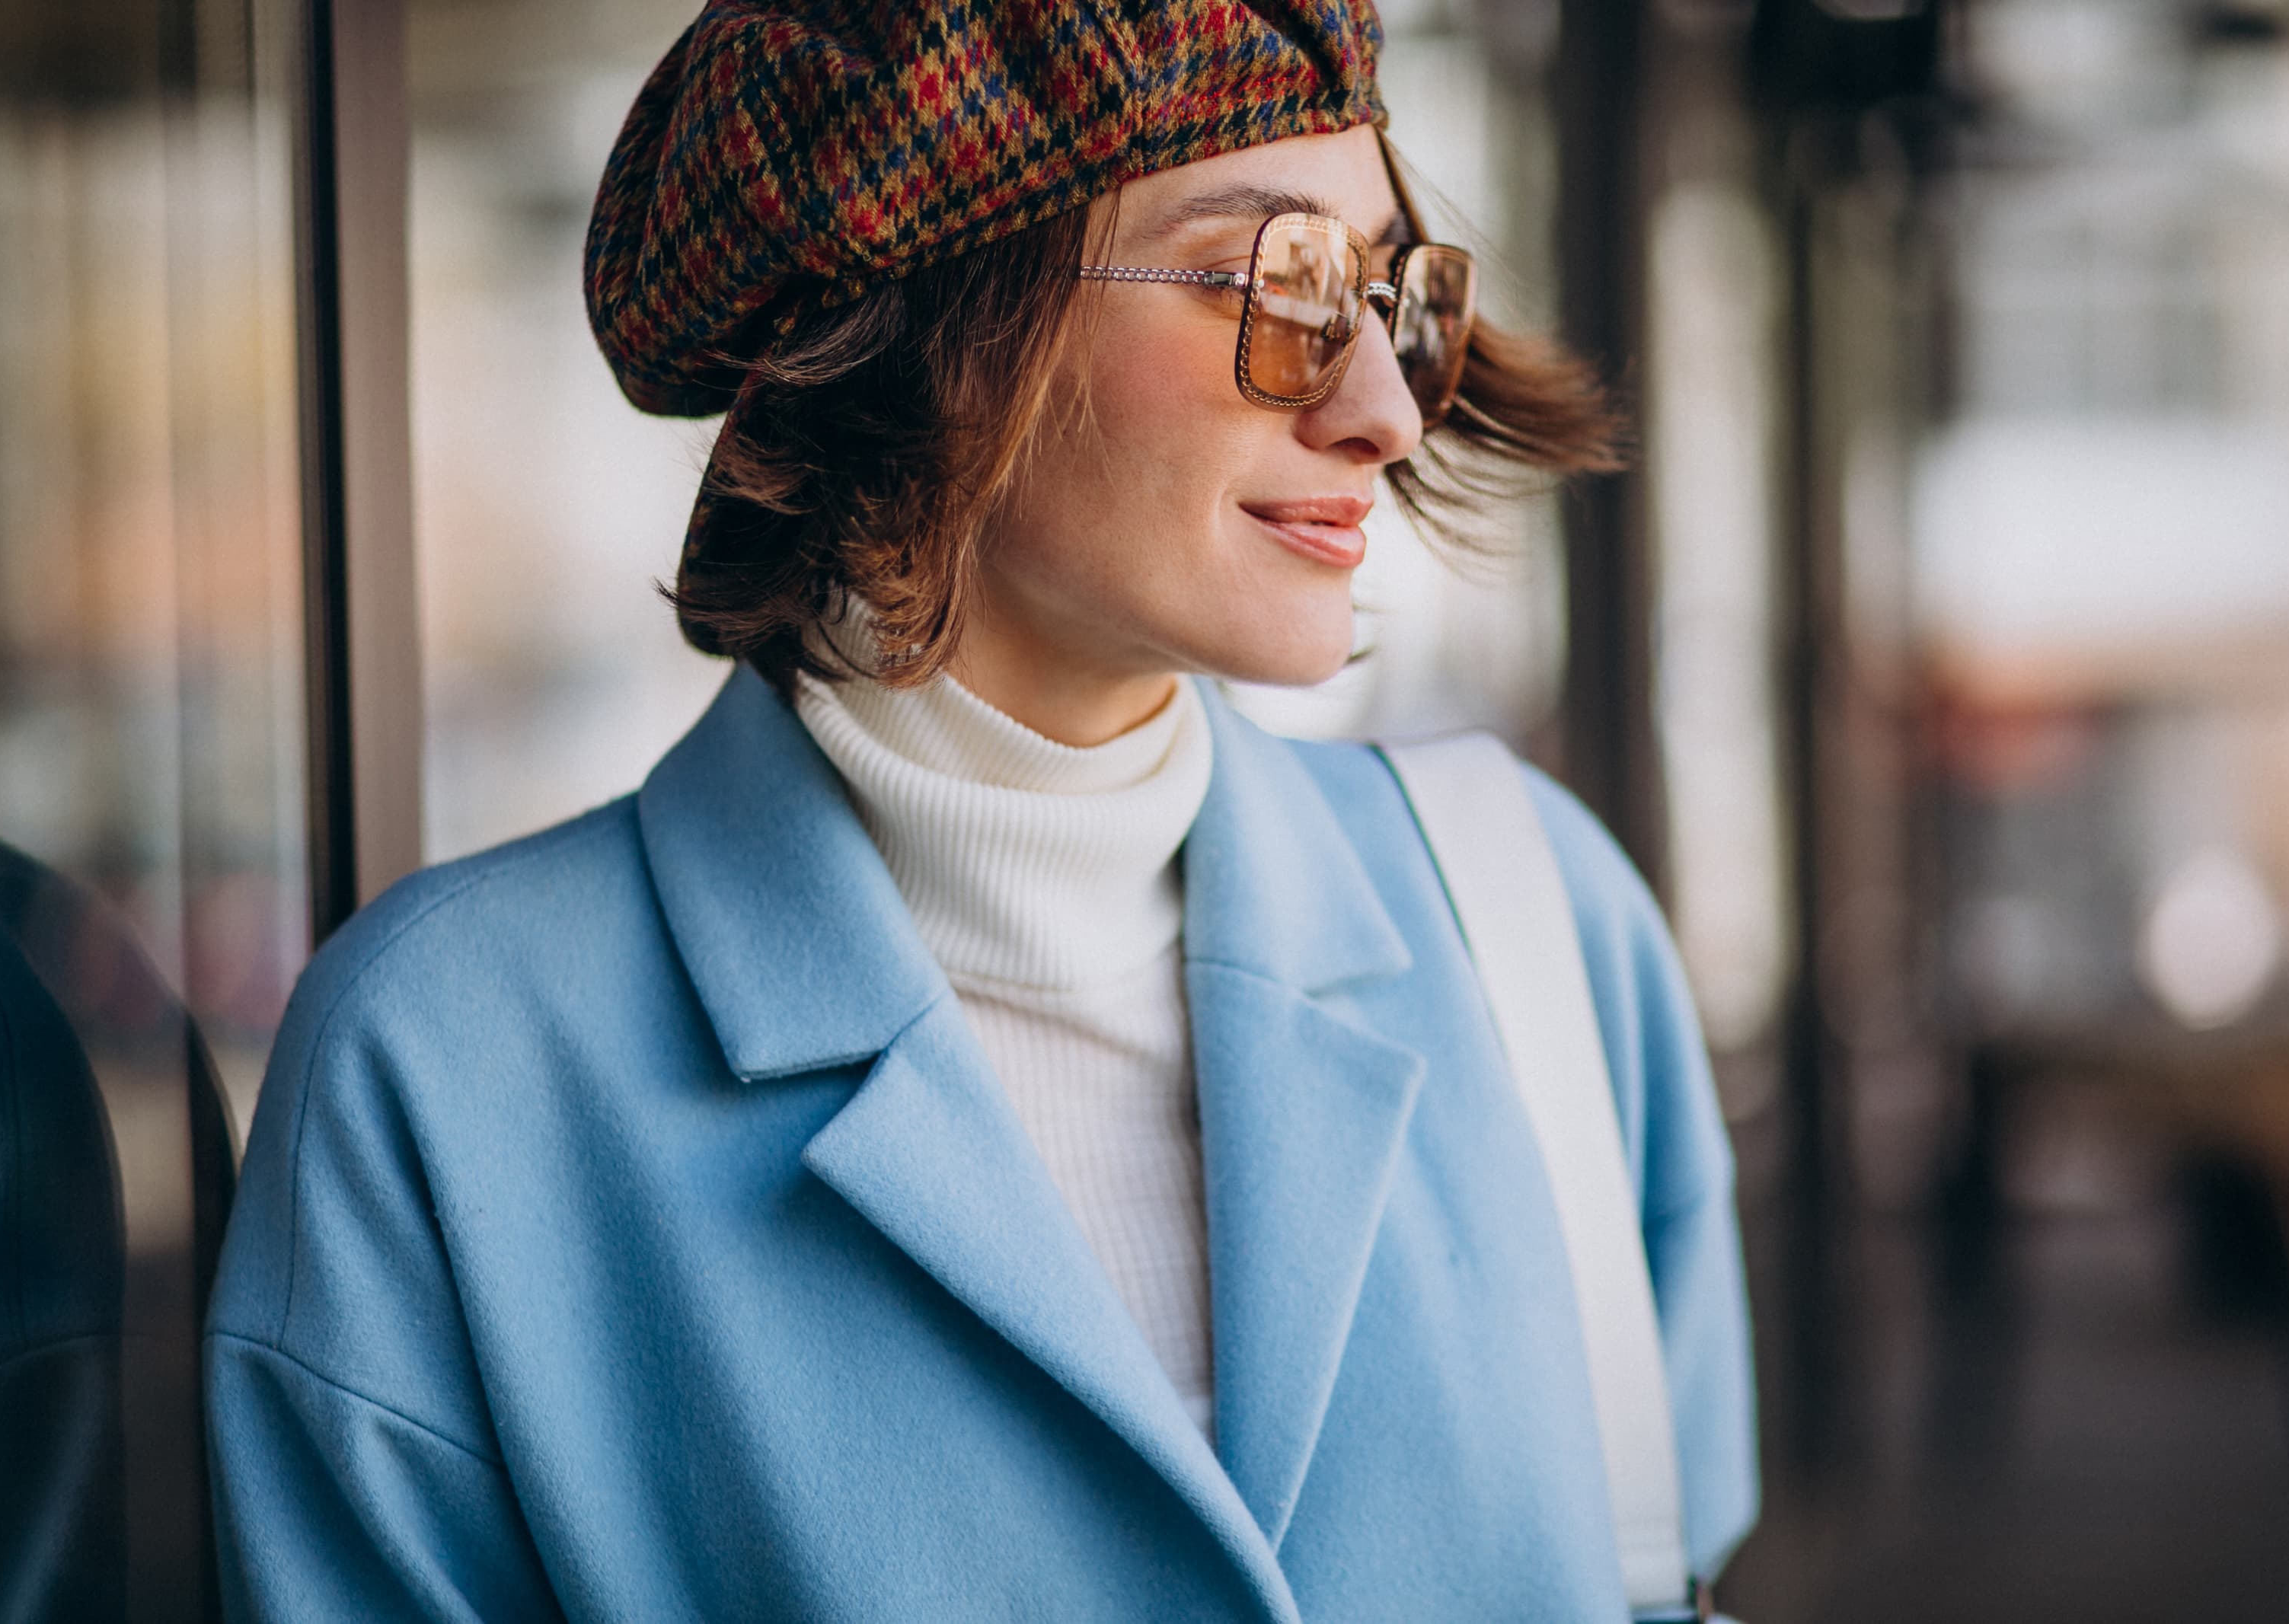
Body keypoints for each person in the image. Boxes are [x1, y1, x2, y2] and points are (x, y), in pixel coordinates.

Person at [204, 2, 1758, 1619]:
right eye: (1275, 281)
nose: (1386, 403)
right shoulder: (443, 1074)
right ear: (930, 319)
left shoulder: (1533, 924)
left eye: (1385, 292)